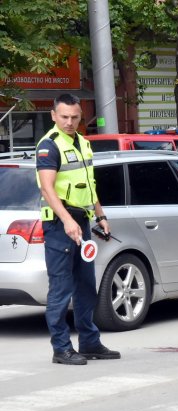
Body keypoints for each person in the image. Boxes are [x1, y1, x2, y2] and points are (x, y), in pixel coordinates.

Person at [35, 93, 120, 365]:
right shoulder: (49, 146)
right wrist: (67, 220)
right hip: (60, 225)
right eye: (64, 117)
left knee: (86, 285)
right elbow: (48, 189)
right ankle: (61, 348)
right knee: (61, 288)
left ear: (80, 116)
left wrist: (100, 215)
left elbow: (89, 185)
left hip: (81, 221)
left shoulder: (83, 143)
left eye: (74, 117)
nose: (69, 122)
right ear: (53, 115)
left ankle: (90, 342)